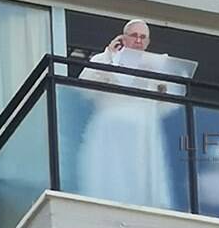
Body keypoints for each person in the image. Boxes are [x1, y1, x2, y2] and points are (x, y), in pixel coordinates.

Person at [75, 19, 183, 210]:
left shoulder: (156, 65)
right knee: (112, 175)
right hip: (111, 126)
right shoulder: (105, 58)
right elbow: (85, 88)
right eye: (134, 36)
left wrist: (163, 89)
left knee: (142, 177)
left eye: (143, 37)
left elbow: (170, 105)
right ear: (123, 38)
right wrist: (109, 56)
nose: (138, 41)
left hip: (143, 131)